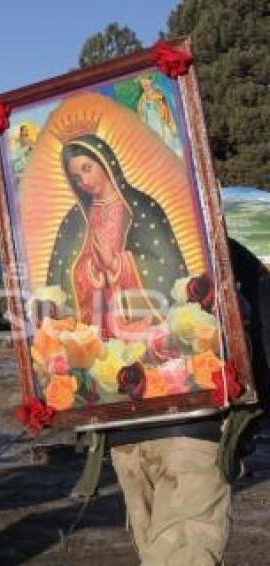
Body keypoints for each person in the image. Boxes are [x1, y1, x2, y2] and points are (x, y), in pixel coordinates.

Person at [73, 237, 268, 566]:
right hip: (193, 433)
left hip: (125, 435)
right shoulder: (219, 251)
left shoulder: (94, 254)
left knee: (161, 555)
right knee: (183, 554)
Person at [46, 134, 189, 338]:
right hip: (95, 329)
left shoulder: (142, 208)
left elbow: (165, 267)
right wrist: (90, 269)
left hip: (137, 328)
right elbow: (62, 275)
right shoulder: (74, 220)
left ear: (105, 163)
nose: (84, 182)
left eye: (87, 168)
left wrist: (116, 264)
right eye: (76, 178)